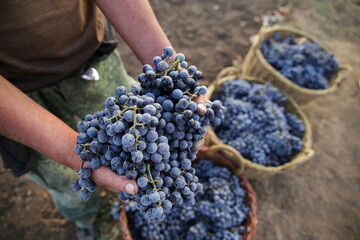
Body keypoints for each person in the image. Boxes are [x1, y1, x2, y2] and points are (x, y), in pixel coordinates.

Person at [0, 1, 206, 239]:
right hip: (14, 97)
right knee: (64, 179)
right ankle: (84, 219)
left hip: (91, 54)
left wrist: (171, 72)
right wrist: (69, 152)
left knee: (128, 116)